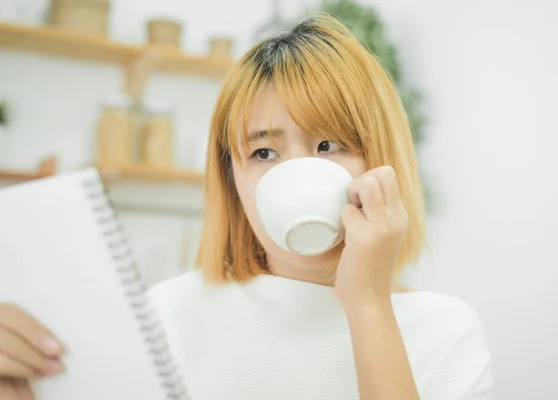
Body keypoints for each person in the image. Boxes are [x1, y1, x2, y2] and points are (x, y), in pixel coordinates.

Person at [0, 13, 493, 400]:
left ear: (380, 159)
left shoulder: (445, 331)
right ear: (234, 180)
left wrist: (367, 304)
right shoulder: (168, 316)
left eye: (329, 145)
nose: (294, 173)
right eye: (263, 152)